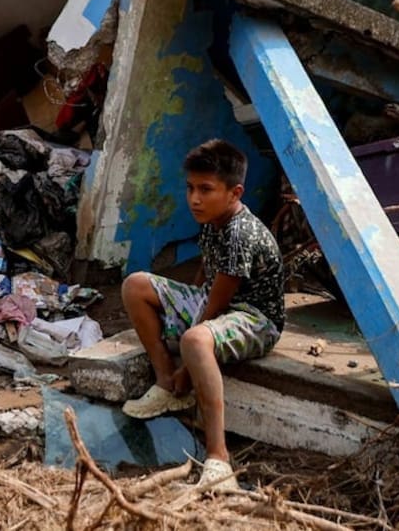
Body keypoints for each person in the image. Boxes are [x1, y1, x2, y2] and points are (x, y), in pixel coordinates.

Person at [119, 139, 285, 491]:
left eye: (205, 189)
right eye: (191, 188)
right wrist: (183, 306)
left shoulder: (241, 232)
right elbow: (207, 278)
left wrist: (188, 367)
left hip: (256, 317)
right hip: (219, 301)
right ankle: (164, 383)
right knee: (135, 285)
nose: (194, 198)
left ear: (234, 192)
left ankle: (218, 457)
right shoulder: (212, 219)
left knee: (195, 339)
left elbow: (218, 304)